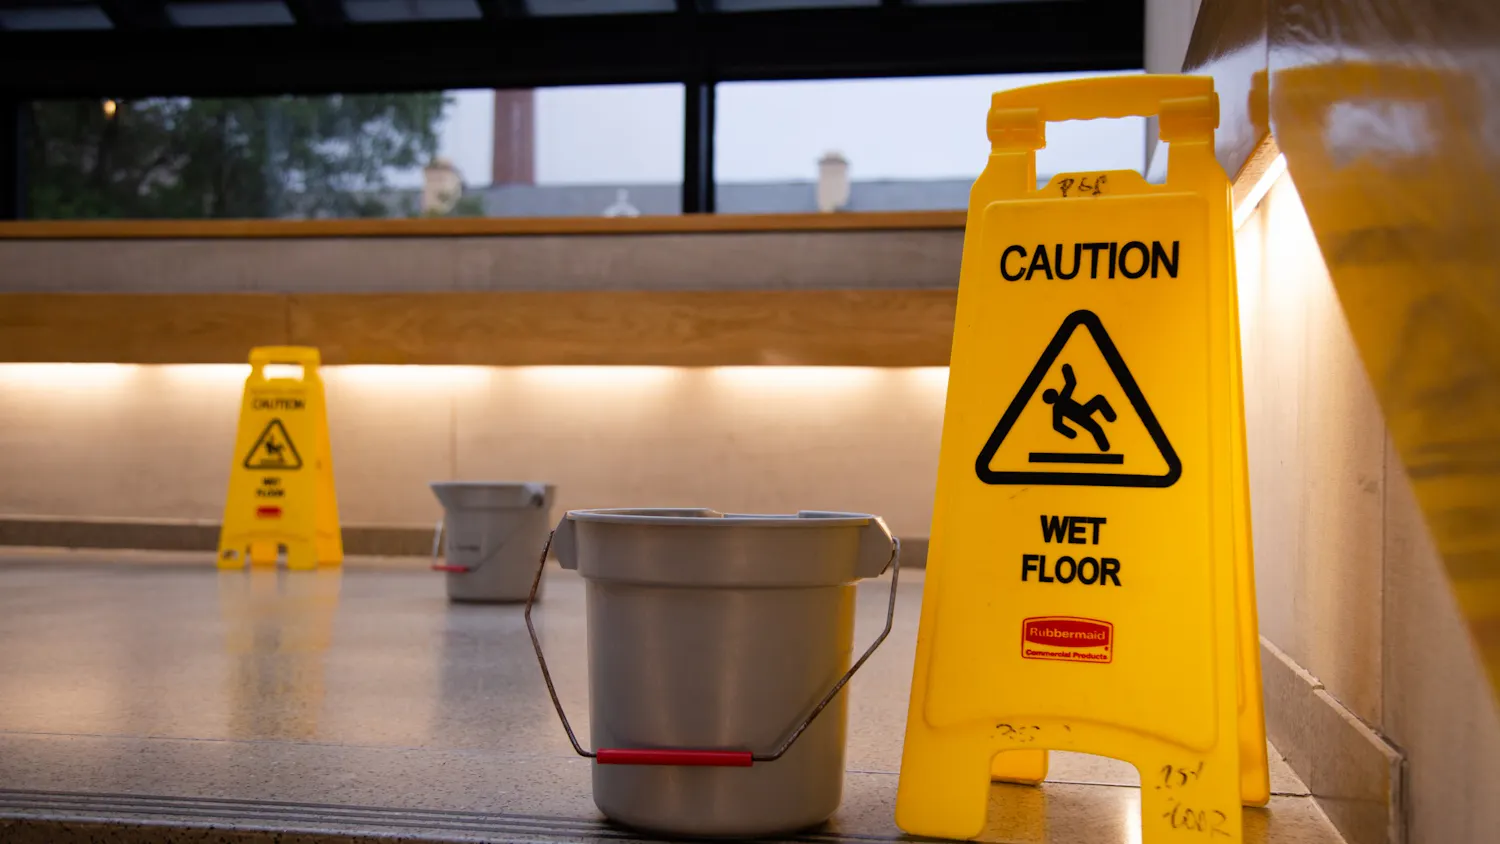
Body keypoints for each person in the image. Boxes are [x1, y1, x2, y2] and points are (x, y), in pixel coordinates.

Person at [1041, 364, 1117, 451]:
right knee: (1096, 428)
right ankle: (1105, 447)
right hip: (1081, 418)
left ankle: (1111, 417)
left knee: (1099, 400)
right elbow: (1057, 425)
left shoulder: (1061, 399)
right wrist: (1071, 433)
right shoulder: (1058, 406)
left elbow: (1071, 383)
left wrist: (1066, 369)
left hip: (1084, 410)